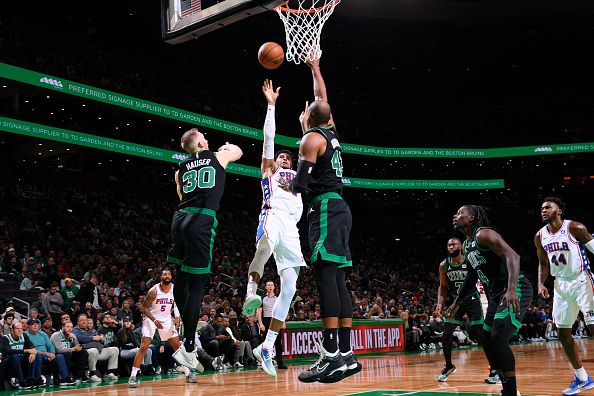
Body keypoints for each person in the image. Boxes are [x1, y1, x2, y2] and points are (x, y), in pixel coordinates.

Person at [288, 56, 361, 384]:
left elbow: (300, 185)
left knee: (326, 280)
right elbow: (323, 101)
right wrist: (316, 69)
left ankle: (330, 355)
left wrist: (283, 177)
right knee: (338, 281)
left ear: (308, 117)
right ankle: (346, 354)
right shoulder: (330, 133)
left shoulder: (311, 138)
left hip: (326, 209)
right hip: (341, 208)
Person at [242, 79, 305, 377]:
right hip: (273, 214)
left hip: (292, 229)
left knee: (290, 287)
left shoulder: (298, 175)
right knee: (264, 243)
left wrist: (307, 129)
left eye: (287, 157)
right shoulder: (270, 169)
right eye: (282, 157)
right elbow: (269, 139)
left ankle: (266, 345)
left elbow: (309, 155)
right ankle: (250, 293)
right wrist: (271, 105)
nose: (284, 158)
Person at [165, 127, 242, 370]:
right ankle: (188, 346)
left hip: (180, 220)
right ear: (199, 145)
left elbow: (180, 194)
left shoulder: (181, 168)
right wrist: (227, 148)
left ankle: (183, 328)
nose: (207, 140)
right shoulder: (217, 157)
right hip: (201, 220)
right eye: (204, 139)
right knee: (197, 287)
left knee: (182, 279)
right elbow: (238, 152)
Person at [446, 205, 533, 396]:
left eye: (461, 213)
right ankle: (505, 385)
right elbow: (470, 277)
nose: (456, 216)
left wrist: (511, 290)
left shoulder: (483, 234)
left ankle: (510, 392)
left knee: (498, 337)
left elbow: (513, 255)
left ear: (473, 218)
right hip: (496, 294)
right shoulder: (467, 244)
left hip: (514, 287)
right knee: (485, 338)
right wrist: (457, 302)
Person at [535, 197, 594, 395]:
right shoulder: (540, 236)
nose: (543, 210)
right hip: (560, 285)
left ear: (559, 211)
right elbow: (543, 263)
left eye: (548, 207)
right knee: (563, 332)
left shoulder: (575, 227)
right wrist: (541, 282)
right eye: (542, 208)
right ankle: (582, 378)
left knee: (593, 326)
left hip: (582, 280)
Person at [129, 268, 198, 388]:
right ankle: (133, 376)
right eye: (164, 274)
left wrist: (177, 316)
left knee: (177, 346)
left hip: (166, 319)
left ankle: (188, 373)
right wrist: (155, 320)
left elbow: (176, 303)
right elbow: (144, 309)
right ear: (160, 277)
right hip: (151, 319)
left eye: (169, 274)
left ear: (171, 276)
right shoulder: (153, 291)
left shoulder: (175, 289)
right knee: (144, 346)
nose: (167, 276)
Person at [436, 237, 485, 382]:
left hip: (472, 300)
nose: (451, 246)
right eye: (449, 244)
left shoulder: (469, 261)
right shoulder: (444, 265)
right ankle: (449, 365)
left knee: (479, 333)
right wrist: (439, 303)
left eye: (454, 244)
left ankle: (495, 368)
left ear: (461, 247)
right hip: (454, 303)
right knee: (446, 333)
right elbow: (443, 287)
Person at [25, 318, 74, 386]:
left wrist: (52, 354)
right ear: (28, 326)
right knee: (37, 356)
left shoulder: (43, 334)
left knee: (60, 356)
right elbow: (31, 349)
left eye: (36, 324)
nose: (35, 325)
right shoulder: (25, 335)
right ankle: (37, 379)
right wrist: (47, 354)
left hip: (47, 356)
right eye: (33, 324)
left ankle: (64, 378)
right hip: (37, 356)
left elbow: (50, 346)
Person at [73, 314, 119, 382]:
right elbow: (80, 338)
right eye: (81, 320)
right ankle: (92, 374)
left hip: (99, 350)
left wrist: (101, 339)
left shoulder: (93, 330)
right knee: (93, 350)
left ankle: (109, 373)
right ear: (78, 322)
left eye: (85, 320)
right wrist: (93, 338)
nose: (84, 321)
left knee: (115, 349)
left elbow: (99, 340)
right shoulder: (75, 330)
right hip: (87, 352)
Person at [255, 281, 288, 372]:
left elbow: (281, 310)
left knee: (278, 343)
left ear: (274, 287)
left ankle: (280, 363)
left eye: (271, 285)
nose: (270, 286)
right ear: (265, 287)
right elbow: (259, 312)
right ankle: (265, 363)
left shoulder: (278, 298)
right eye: (268, 285)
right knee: (265, 344)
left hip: (276, 320)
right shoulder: (262, 298)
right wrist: (260, 323)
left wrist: (283, 322)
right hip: (266, 321)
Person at [1, 321, 41, 389]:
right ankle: (21, 381)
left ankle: (31, 379)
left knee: (35, 355)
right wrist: (26, 350)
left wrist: (33, 353)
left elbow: (32, 347)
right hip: (7, 361)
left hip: (19, 359)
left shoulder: (24, 335)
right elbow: (9, 351)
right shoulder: (5, 338)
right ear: (12, 330)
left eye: (21, 329)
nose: (20, 330)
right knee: (14, 356)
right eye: (17, 329)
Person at [50, 320, 90, 384]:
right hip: (57, 356)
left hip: (69, 354)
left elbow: (78, 347)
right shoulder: (56, 335)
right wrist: (73, 349)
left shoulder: (71, 335)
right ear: (62, 327)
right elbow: (59, 350)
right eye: (67, 327)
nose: (70, 329)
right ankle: (66, 377)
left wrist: (75, 338)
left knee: (83, 352)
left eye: (71, 327)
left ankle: (80, 376)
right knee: (66, 353)